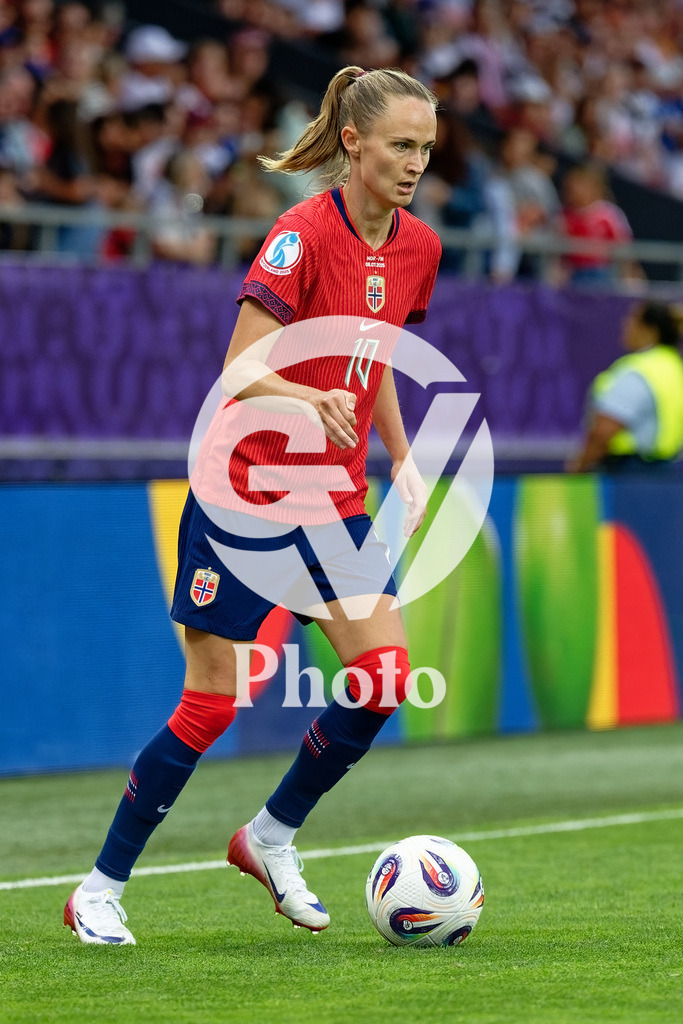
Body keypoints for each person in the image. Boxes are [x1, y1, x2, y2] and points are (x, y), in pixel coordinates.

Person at [64, 65, 442, 945]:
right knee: (211, 703)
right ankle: (100, 887)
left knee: (383, 680)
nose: (414, 162)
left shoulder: (417, 246)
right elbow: (239, 370)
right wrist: (307, 401)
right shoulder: (298, 236)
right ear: (353, 143)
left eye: (425, 147)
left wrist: (401, 455)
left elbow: (372, 354)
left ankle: (269, 835)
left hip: (332, 498)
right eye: (399, 145)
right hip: (247, 493)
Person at [568, 302, 683, 473]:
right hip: (667, 473)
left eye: (633, 318)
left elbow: (606, 428)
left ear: (649, 329)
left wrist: (580, 465)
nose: (625, 324)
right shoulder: (673, 367)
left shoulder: (639, 373)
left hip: (629, 472)